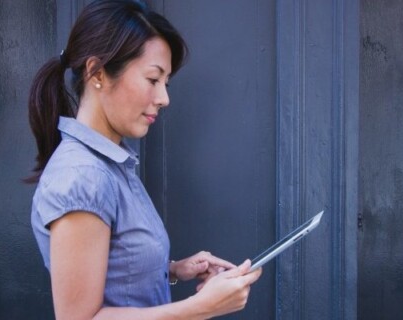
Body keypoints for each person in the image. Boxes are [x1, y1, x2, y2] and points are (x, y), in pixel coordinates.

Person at [25, 1, 262, 319]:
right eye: (153, 80)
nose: (164, 98)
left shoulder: (108, 164)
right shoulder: (82, 175)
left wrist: (174, 270)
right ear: (97, 73)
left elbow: (112, 271)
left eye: (166, 83)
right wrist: (201, 307)